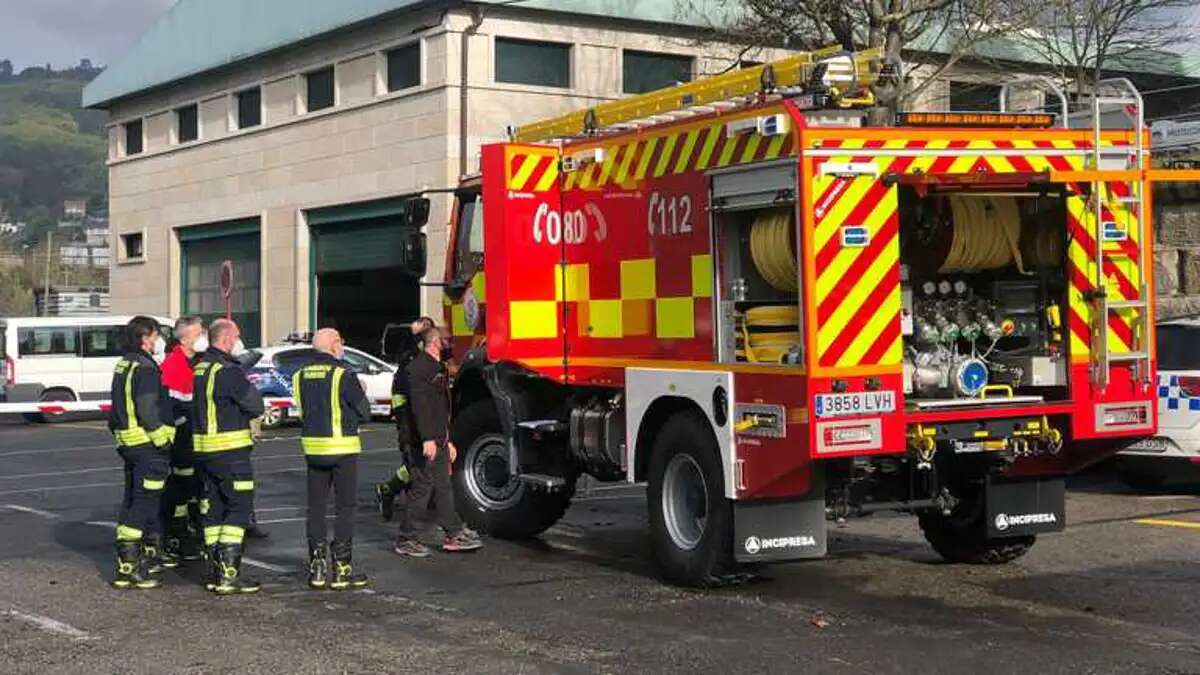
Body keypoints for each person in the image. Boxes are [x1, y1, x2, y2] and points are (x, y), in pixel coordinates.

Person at [394, 324, 482, 557]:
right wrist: (428, 440)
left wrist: (447, 439)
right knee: (422, 488)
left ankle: (453, 533)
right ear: (435, 343)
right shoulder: (419, 369)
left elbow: (440, 409)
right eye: (447, 341)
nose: (450, 345)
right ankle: (406, 538)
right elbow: (421, 408)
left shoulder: (437, 368)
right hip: (424, 440)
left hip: (439, 438)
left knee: (443, 486)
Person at [293, 328, 372, 590]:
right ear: (335, 345)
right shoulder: (343, 374)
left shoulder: (299, 375)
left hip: (313, 449)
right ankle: (342, 568)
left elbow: (302, 411)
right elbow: (364, 411)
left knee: (315, 508)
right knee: (344, 508)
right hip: (342, 448)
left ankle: (316, 566)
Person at [193, 318, 265, 595]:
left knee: (213, 509)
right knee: (239, 508)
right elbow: (255, 404)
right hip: (231, 451)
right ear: (225, 340)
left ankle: (214, 570)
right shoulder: (229, 372)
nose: (238, 342)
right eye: (236, 337)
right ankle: (229, 573)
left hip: (204, 451)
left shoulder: (200, 367)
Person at [108, 316, 176, 590]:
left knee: (131, 500)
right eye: (156, 334)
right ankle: (132, 566)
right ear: (145, 337)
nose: (158, 339)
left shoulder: (124, 363)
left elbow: (115, 409)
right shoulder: (147, 368)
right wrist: (163, 440)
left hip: (127, 444)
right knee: (144, 503)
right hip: (147, 446)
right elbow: (147, 410)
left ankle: (126, 561)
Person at [375, 317, 434, 521]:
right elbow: (405, 398)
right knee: (414, 464)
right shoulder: (410, 362)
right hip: (411, 422)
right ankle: (389, 490)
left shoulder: (427, 356)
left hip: (425, 421)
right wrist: (406, 424)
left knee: (424, 465)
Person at [159, 316, 205, 562]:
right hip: (182, 441)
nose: (202, 336)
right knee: (180, 489)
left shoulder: (197, 362)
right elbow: (173, 407)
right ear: (185, 337)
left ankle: (193, 530)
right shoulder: (173, 364)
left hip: (199, 439)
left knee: (197, 488)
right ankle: (175, 534)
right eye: (199, 332)